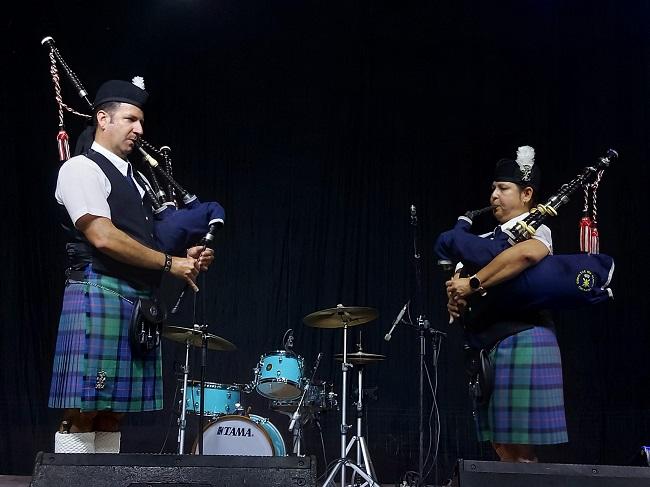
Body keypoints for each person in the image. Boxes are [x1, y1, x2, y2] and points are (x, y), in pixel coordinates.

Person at [48, 78, 214, 453]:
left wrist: (188, 257)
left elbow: (147, 240)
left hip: (136, 301)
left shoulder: (137, 180)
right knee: (83, 409)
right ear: (103, 119)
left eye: (141, 122)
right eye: (131, 120)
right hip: (98, 291)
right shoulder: (81, 169)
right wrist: (171, 263)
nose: (140, 130)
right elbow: (103, 236)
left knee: (113, 412)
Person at [446, 146, 568, 462]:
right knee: (501, 443)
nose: (494, 196)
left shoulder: (537, 228)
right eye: (493, 189)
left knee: (520, 447)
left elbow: (526, 254)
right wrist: (457, 300)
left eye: (503, 189)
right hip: (491, 344)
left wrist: (472, 283)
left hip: (524, 338)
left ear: (527, 194)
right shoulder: (489, 238)